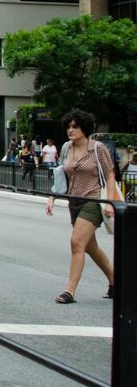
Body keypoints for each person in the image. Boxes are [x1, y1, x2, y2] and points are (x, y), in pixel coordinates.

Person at [45, 109, 120, 304]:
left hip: (93, 201)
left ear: (84, 128)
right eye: (68, 126)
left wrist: (110, 202)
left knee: (77, 242)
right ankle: (115, 282)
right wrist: (53, 197)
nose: (71, 130)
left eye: (75, 126)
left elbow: (110, 175)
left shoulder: (97, 148)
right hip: (74, 201)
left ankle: (70, 291)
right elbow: (61, 174)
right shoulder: (66, 148)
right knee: (90, 247)